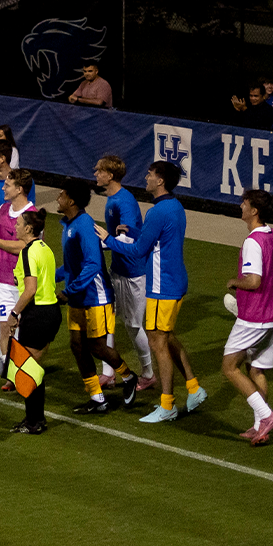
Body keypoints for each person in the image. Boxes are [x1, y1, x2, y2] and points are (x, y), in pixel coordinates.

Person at [105, 160, 204, 424]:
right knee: (167, 338)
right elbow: (159, 238)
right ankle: (193, 388)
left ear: (160, 181)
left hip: (163, 286)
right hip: (175, 281)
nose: (146, 178)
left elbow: (138, 251)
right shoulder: (174, 206)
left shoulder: (157, 212)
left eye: (149, 174)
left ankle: (167, 404)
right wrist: (136, 231)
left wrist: (108, 240)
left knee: (157, 342)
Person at [0, 209, 59, 434]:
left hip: (38, 315)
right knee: (34, 370)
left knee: (27, 372)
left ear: (29, 229)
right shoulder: (45, 249)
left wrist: (14, 314)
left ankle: (34, 422)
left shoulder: (29, 252)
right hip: (50, 313)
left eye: (19, 224)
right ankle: (35, 419)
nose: (16, 227)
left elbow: (30, 289)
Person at [222, 189, 273, 444]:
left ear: (254, 210)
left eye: (244, 203)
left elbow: (253, 281)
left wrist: (234, 282)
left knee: (229, 367)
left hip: (255, 316)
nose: (241, 206)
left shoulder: (253, 242)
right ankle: (259, 427)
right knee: (257, 370)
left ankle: (267, 416)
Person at [55, 181, 122, 414]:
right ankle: (97, 397)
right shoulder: (69, 224)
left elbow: (93, 264)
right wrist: (49, 278)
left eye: (61, 194)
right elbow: (72, 265)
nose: (57, 197)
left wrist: (68, 290)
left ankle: (129, 376)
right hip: (77, 297)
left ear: (71, 201)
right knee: (77, 346)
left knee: (97, 348)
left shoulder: (84, 225)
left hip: (96, 296)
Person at [93, 155, 155, 399]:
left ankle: (148, 374)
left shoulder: (124, 201)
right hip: (119, 268)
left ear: (110, 175)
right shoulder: (113, 198)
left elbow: (127, 238)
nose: (96, 173)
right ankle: (108, 372)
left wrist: (100, 244)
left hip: (132, 271)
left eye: (99, 170)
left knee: (133, 325)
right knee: (108, 319)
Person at [0, 152, 36, 381]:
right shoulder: (2, 210)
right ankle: (7, 367)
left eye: (8, 185)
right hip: (2, 278)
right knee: (4, 325)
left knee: (20, 328)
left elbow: (24, 246)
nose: (3, 188)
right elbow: (2, 235)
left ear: (20, 188)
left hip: (23, 280)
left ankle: (22, 371)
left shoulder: (31, 215)